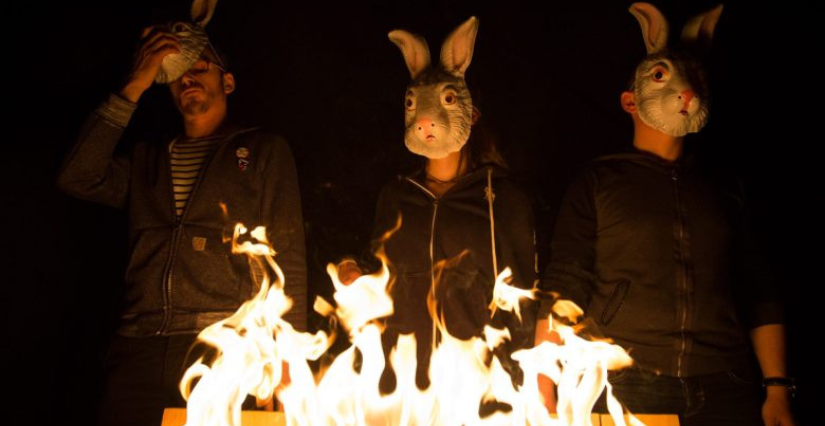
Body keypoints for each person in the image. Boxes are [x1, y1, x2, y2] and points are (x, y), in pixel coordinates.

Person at [535, 4, 795, 426]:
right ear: (629, 101)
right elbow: (566, 278)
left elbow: (758, 286)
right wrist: (543, 374)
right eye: (661, 76)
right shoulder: (599, 181)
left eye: (696, 78)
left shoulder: (722, 185)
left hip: (725, 382)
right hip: (627, 379)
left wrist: (778, 388)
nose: (686, 90)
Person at [56, 11, 307, 426]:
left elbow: (290, 256)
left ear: (227, 81)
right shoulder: (147, 161)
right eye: (174, 73)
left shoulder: (263, 150)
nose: (187, 78)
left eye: (200, 67)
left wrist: (286, 363)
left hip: (224, 349)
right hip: (138, 346)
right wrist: (135, 84)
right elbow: (77, 176)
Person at [338, 17, 537, 394]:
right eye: (415, 104)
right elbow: (378, 266)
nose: (427, 120)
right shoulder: (397, 194)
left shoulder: (502, 196)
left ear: (470, 114)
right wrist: (353, 270)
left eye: (446, 101)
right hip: (402, 379)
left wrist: (527, 373)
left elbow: (525, 289)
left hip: (481, 381)